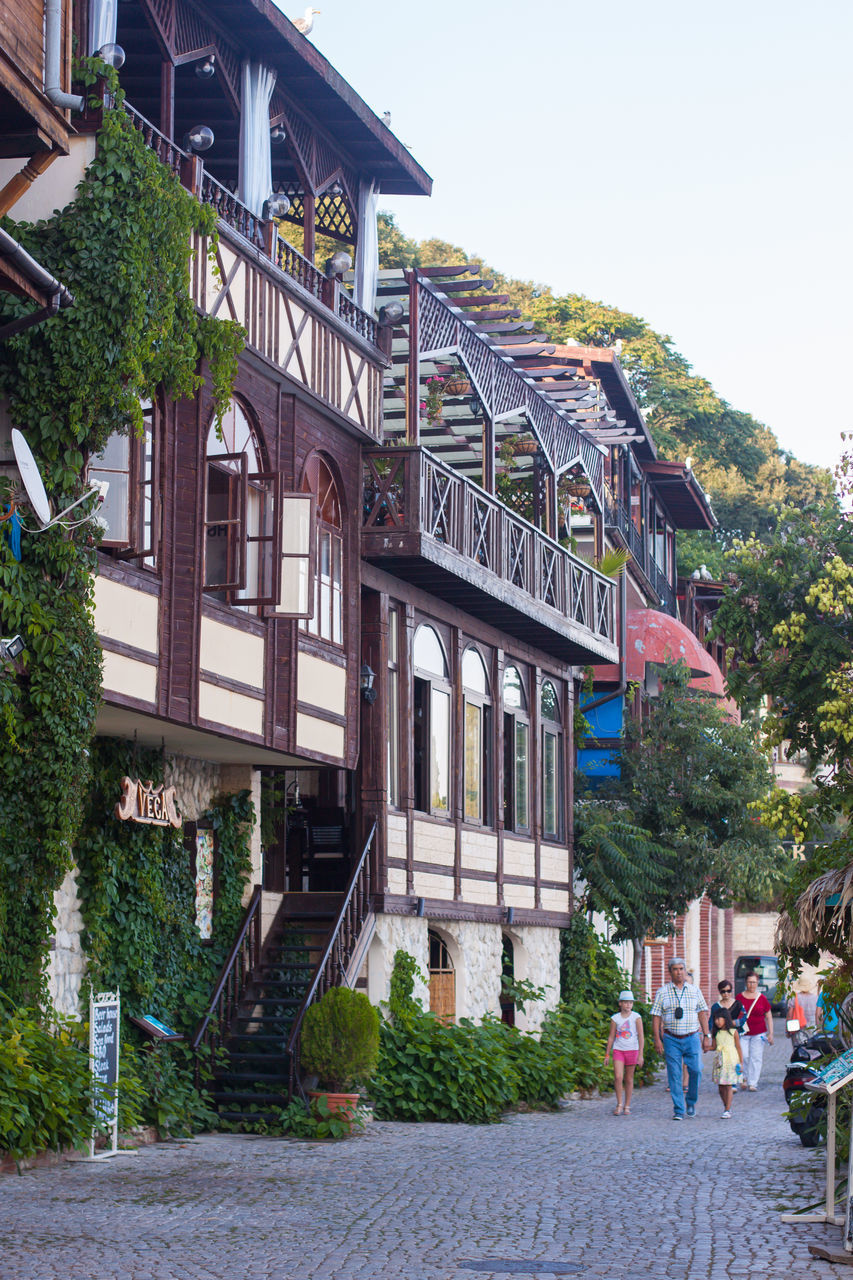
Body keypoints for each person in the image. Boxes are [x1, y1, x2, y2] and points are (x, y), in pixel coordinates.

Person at [651, 957, 711, 1120]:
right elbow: (656, 1016)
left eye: (681, 969)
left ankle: (691, 1101)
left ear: (685, 971)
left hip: (692, 1036)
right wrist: (657, 1038)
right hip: (671, 1038)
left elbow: (702, 1013)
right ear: (670, 972)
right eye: (675, 969)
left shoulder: (694, 990)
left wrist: (706, 1036)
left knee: (696, 1070)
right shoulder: (662, 992)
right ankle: (678, 1109)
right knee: (674, 1074)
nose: (679, 972)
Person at [604, 989, 645, 1115]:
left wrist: (641, 1055)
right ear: (620, 1004)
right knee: (618, 1077)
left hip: (632, 1050)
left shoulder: (636, 1017)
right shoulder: (615, 1018)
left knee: (629, 1078)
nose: (628, 1005)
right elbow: (611, 1037)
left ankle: (627, 1105)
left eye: (630, 1003)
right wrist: (607, 1054)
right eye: (625, 1002)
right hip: (618, 1050)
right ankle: (619, 1103)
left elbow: (641, 1036)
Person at [737, 970, 774, 1090]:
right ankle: (744, 1078)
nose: (752, 985)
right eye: (749, 982)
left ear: (758, 983)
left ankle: (753, 1082)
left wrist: (771, 1033)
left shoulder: (762, 998)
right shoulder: (739, 997)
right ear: (745, 983)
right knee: (744, 1056)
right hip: (743, 1033)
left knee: (756, 1057)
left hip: (759, 1032)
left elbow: (769, 1016)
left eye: (754, 982)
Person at [711, 1006, 744, 1118]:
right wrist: (706, 1048)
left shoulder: (733, 1032)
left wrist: (741, 1062)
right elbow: (714, 1047)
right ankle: (726, 1105)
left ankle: (727, 1108)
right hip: (720, 1061)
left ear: (726, 1018)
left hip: (731, 1060)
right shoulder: (716, 1033)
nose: (717, 1021)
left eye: (719, 1019)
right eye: (715, 1019)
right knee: (721, 1086)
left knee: (729, 1085)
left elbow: (738, 1047)